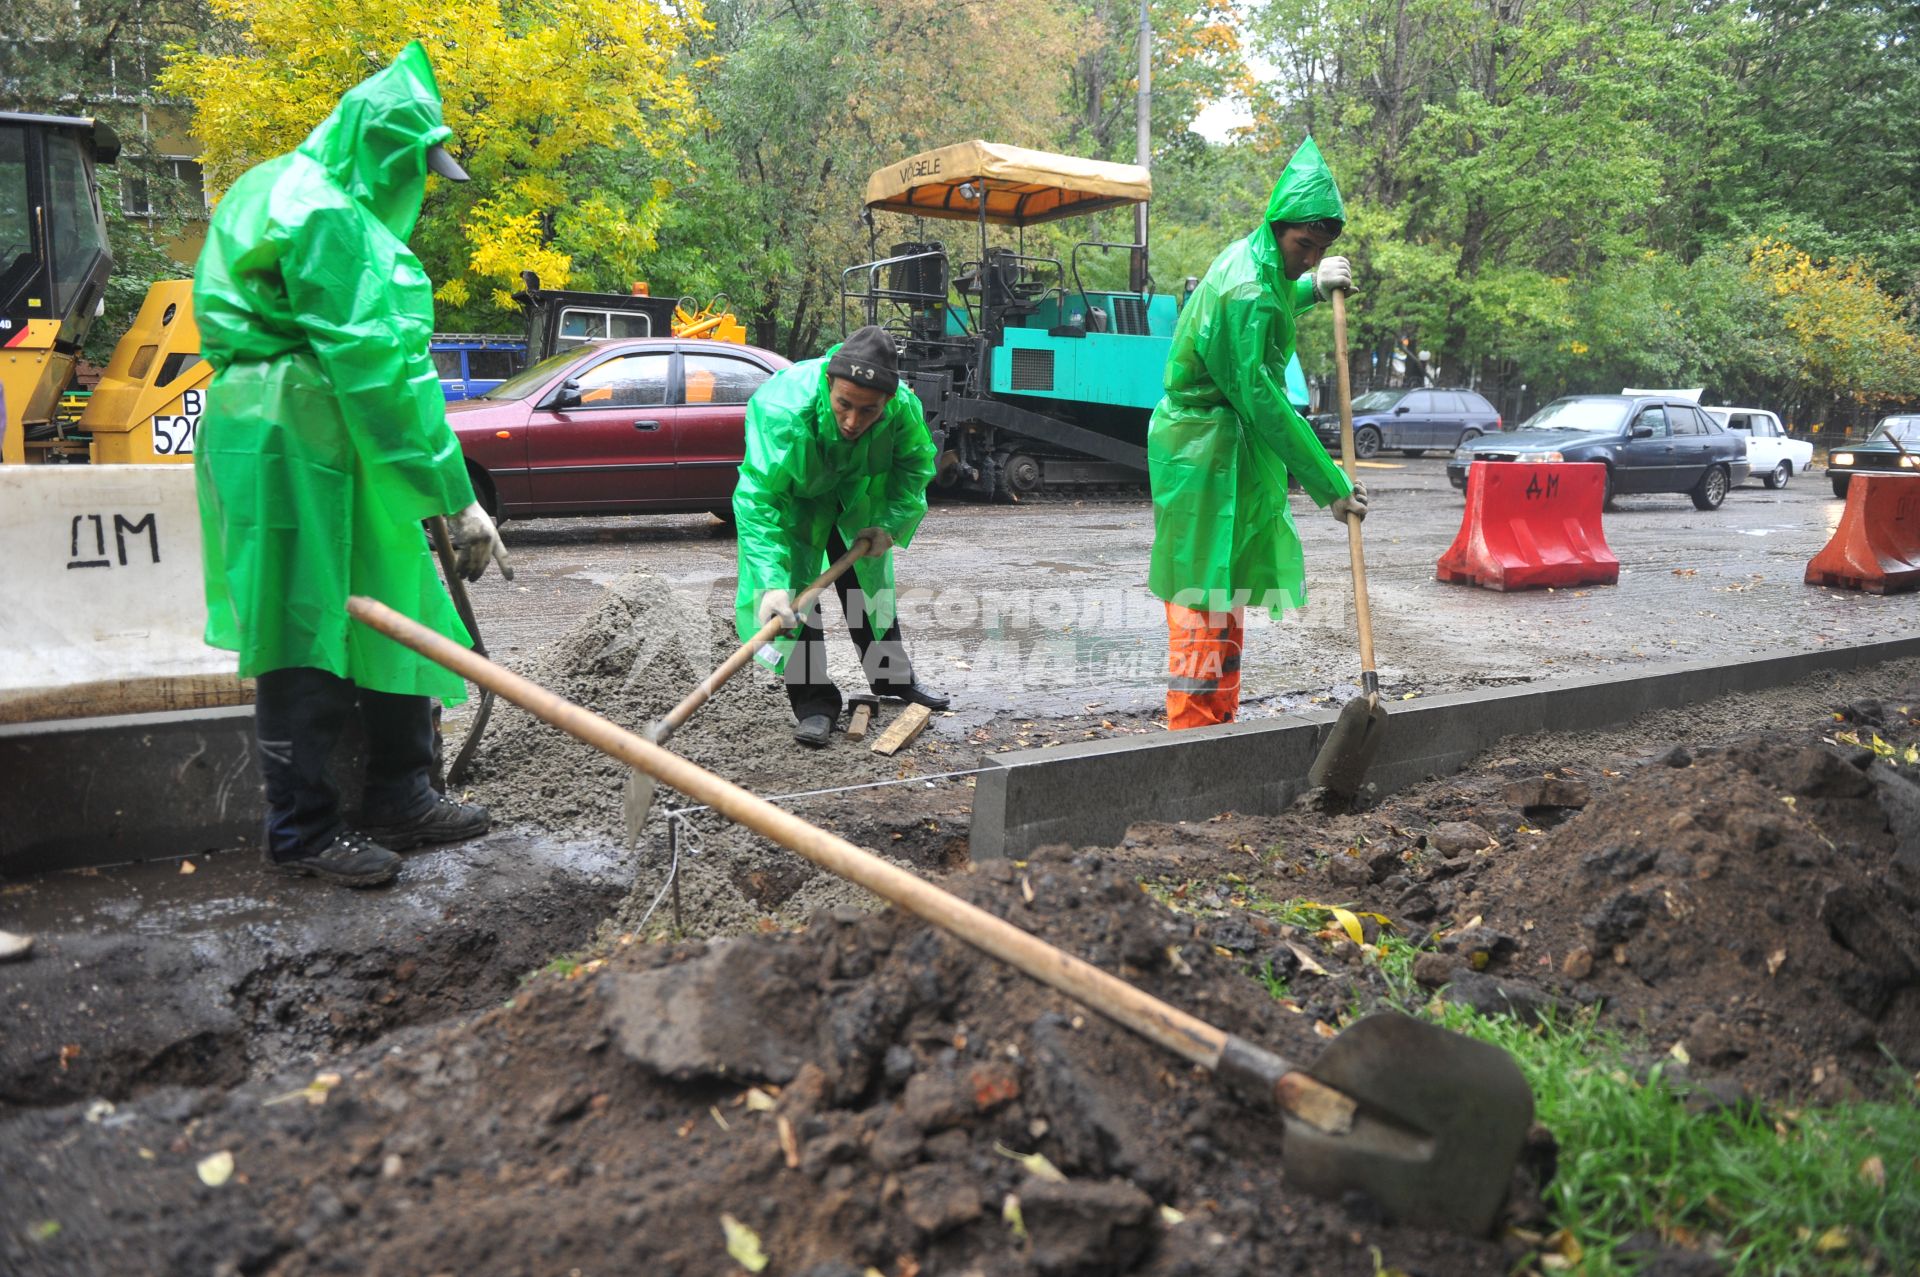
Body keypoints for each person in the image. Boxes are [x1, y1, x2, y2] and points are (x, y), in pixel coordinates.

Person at [193, 43, 511, 887]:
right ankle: (302, 828)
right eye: (414, 165)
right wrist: (454, 494)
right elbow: (377, 367)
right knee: (304, 620)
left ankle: (402, 790)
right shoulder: (322, 210)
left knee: (398, 596)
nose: (418, 186)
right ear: (381, 149)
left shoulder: (280, 187)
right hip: (294, 429)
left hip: (316, 423)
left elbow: (382, 366)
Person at [1147, 136, 1370, 731]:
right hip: (1203, 448)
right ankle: (1192, 733)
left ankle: (1218, 722)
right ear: (1278, 226)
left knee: (1227, 585)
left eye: (1318, 249)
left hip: (1226, 443)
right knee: (1201, 590)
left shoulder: (1259, 264)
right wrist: (1330, 483)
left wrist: (1312, 289)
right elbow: (1263, 398)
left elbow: (1273, 299)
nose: (1307, 256)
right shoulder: (1245, 286)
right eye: (1304, 246)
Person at [732, 325, 950, 746]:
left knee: (869, 589)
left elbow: (915, 468)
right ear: (829, 384)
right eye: (844, 405)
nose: (853, 421)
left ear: (887, 402)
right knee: (796, 602)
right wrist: (770, 583)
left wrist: (889, 523)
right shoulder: (783, 410)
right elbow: (758, 501)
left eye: (868, 411)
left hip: (856, 498)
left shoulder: (902, 409)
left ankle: (892, 680)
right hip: (795, 501)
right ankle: (815, 704)